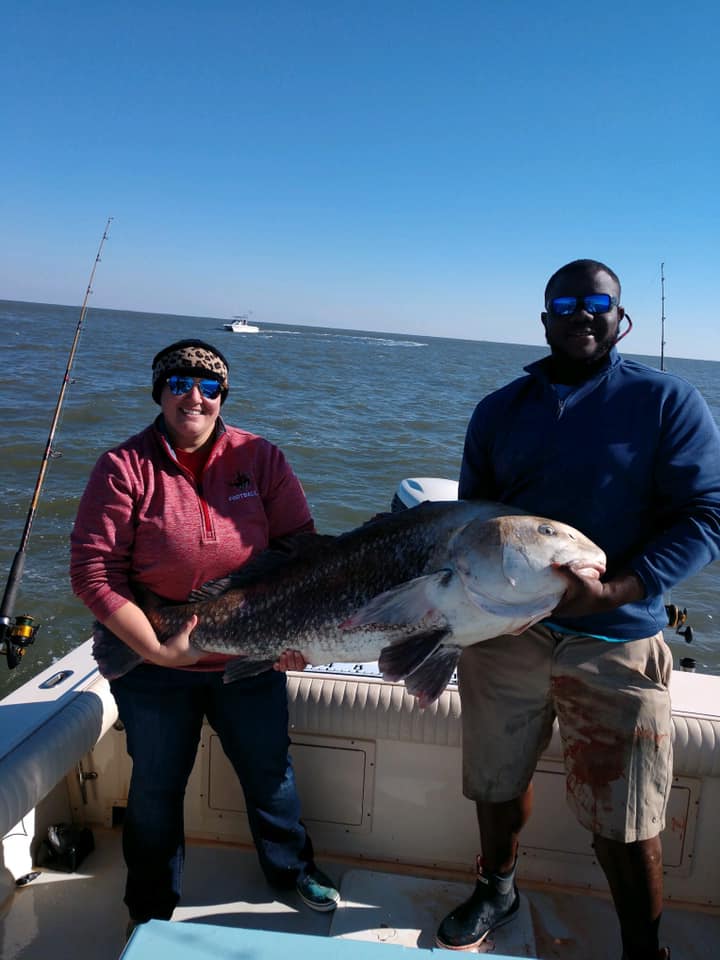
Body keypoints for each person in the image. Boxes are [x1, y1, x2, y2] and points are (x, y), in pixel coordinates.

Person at [435, 260, 720, 960]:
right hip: (507, 634)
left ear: (620, 317)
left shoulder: (665, 402)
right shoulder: (499, 410)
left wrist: (621, 590)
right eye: (566, 301)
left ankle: (640, 947)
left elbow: (707, 515)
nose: (583, 313)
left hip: (617, 638)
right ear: (545, 318)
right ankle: (498, 888)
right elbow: (472, 529)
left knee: (625, 818)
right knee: (496, 783)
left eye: (599, 302)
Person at [70, 338, 340, 931]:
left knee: (271, 774)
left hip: (252, 649)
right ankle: (149, 906)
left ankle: (291, 870)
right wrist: (154, 649)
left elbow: (302, 551)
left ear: (223, 397)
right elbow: (94, 572)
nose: (194, 396)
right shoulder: (123, 467)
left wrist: (294, 633)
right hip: (152, 662)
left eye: (210, 386)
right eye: (179, 384)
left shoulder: (261, 458)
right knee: (156, 787)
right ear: (159, 392)